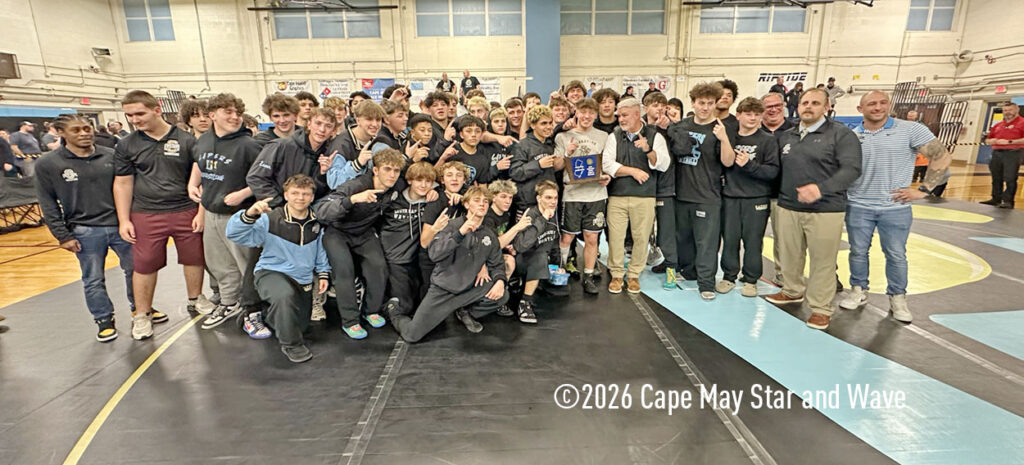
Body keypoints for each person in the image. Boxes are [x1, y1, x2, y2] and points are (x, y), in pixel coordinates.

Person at [838, 90, 952, 323]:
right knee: (857, 251)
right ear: (860, 109)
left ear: (889, 105)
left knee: (896, 254)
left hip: (895, 207)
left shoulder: (910, 129)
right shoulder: (852, 135)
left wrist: (924, 190)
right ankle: (858, 290)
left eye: (883, 102)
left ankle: (898, 298)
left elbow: (941, 155)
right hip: (858, 204)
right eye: (871, 103)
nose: (877, 107)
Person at [113, 90, 213, 340]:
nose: (134, 119)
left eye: (139, 113)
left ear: (157, 110)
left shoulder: (188, 140)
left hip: (185, 209)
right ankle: (142, 314)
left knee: (194, 258)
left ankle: (195, 298)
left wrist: (201, 211)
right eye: (129, 115)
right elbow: (122, 183)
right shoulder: (126, 144)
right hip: (146, 213)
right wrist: (124, 220)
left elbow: (202, 179)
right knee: (144, 264)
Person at [765, 88, 862, 331]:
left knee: (822, 261)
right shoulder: (787, 136)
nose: (808, 106)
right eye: (805, 102)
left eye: (815, 103)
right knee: (789, 255)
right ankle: (792, 290)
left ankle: (820, 308)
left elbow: (852, 169)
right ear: (798, 107)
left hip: (826, 210)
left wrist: (821, 189)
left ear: (827, 107)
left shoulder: (841, 134)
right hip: (788, 206)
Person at [35, 115, 137, 342]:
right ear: (61, 133)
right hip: (84, 230)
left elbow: (129, 188)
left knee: (137, 270)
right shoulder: (48, 163)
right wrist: (62, 235)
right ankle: (104, 319)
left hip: (120, 225)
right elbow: (47, 202)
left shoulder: (111, 155)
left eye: (86, 128)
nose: (84, 133)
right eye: (76, 130)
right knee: (93, 278)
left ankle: (140, 310)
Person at [226, 174, 330, 363]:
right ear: (286, 195)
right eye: (295, 193)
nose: (300, 198)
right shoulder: (270, 219)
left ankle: (265, 313)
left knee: (299, 324)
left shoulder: (316, 222)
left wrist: (323, 273)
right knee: (284, 296)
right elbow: (234, 234)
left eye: (306, 194)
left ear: (312, 197)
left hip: (302, 279)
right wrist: (249, 215)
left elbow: (320, 250)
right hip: (271, 272)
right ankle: (292, 346)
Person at [388, 185, 509, 342]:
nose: (482, 204)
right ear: (467, 204)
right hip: (444, 290)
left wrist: (500, 281)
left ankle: (465, 311)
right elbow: (434, 254)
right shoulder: (452, 226)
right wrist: (460, 234)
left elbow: (497, 263)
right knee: (411, 335)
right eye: (477, 200)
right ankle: (394, 311)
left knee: (502, 294)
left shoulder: (489, 234)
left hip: (469, 287)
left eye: (485, 201)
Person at [188, 93, 264, 331]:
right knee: (219, 264)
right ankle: (230, 302)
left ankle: (254, 308)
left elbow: (267, 179)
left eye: (238, 113)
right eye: (228, 112)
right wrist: (192, 183)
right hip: (212, 212)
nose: (234, 117)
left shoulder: (248, 145)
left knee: (246, 266)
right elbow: (199, 163)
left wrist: (243, 193)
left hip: (239, 216)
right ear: (212, 115)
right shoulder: (202, 141)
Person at [315, 149, 405, 339]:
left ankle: (371, 311)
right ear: (375, 170)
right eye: (387, 169)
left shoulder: (395, 187)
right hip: (338, 232)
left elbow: (417, 183)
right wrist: (352, 200)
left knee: (379, 266)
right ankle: (350, 321)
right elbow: (321, 210)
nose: (392, 175)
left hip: (364, 232)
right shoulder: (355, 185)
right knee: (344, 271)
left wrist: (432, 193)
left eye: (396, 170)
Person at [604, 98, 671, 294]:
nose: (621, 119)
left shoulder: (655, 136)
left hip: (644, 196)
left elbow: (663, 164)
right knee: (615, 237)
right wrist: (632, 171)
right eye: (619, 115)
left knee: (641, 237)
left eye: (625, 115)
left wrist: (648, 150)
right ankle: (617, 274)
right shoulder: (614, 136)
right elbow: (607, 164)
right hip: (617, 195)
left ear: (636, 114)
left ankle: (634, 274)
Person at [667, 82, 727, 300]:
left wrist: (724, 139)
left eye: (710, 103)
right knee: (683, 238)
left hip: (707, 195)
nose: (705, 107)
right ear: (693, 103)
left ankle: (707, 282)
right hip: (682, 192)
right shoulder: (682, 126)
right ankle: (688, 271)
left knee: (706, 243)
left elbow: (728, 161)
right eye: (701, 103)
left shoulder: (719, 128)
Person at [717, 98, 780, 298]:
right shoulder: (730, 137)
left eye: (756, 114)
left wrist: (750, 165)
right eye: (748, 114)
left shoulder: (767, 140)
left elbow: (773, 171)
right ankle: (728, 276)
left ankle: (751, 280)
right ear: (738, 115)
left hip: (756, 198)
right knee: (729, 240)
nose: (752, 118)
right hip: (730, 197)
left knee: (753, 242)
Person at [555, 98, 611, 295]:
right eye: (583, 111)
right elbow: (556, 166)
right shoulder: (563, 136)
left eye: (591, 112)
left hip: (596, 194)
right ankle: (560, 272)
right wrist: (567, 153)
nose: (586, 116)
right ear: (576, 112)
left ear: (596, 115)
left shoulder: (604, 136)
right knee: (567, 237)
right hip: (572, 195)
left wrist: (608, 176)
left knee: (592, 237)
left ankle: (588, 275)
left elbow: (608, 163)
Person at [248, 108, 337, 209]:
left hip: (307, 212)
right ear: (309, 124)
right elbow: (256, 177)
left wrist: (322, 175)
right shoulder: (280, 146)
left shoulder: (329, 155)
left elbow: (318, 192)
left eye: (328, 126)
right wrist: (279, 205)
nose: (322, 129)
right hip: (277, 211)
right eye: (318, 123)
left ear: (333, 131)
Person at [380, 162, 436, 319]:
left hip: (416, 259)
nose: (423, 185)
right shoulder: (394, 200)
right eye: (419, 180)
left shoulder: (431, 201)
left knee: (421, 303)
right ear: (410, 180)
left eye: (428, 181)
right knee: (405, 306)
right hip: (395, 259)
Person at [510, 180, 560, 324]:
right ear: (539, 198)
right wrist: (542, 220)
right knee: (540, 257)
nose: (553, 202)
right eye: (548, 198)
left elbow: (553, 241)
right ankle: (524, 303)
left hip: (541, 260)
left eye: (555, 198)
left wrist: (558, 266)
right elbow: (521, 246)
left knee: (562, 291)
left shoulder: (554, 214)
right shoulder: (530, 215)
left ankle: (526, 283)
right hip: (522, 259)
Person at [760, 92, 796, 286]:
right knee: (752, 237)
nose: (773, 110)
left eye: (777, 106)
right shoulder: (754, 130)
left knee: (784, 239)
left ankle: (783, 276)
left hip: (783, 195)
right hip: (757, 193)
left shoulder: (794, 131)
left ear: (783, 106)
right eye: (768, 107)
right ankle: (750, 273)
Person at [510, 105, 562, 217]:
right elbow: (515, 173)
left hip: (548, 203)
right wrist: (538, 165)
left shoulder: (550, 144)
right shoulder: (522, 145)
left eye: (550, 123)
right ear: (533, 125)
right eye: (543, 123)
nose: (548, 126)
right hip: (528, 204)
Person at [981, 102, 1024, 208]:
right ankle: (996, 198)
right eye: (1005, 110)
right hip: (997, 153)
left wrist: (1010, 142)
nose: (1007, 112)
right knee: (996, 177)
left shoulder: (1022, 123)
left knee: (1010, 178)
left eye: (1010, 110)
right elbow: (987, 139)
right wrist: (991, 141)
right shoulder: (998, 125)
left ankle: (1008, 201)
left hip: (1013, 153)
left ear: (1017, 110)